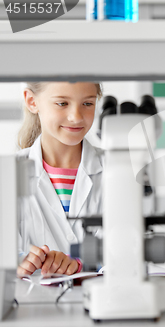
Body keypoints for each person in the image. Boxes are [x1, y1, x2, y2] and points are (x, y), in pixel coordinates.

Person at [16, 82, 103, 277]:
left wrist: (80, 266)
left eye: (87, 104)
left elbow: (128, 253)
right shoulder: (9, 174)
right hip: (31, 305)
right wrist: (18, 264)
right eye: (62, 103)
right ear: (32, 101)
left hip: (101, 304)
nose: (76, 117)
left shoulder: (116, 170)